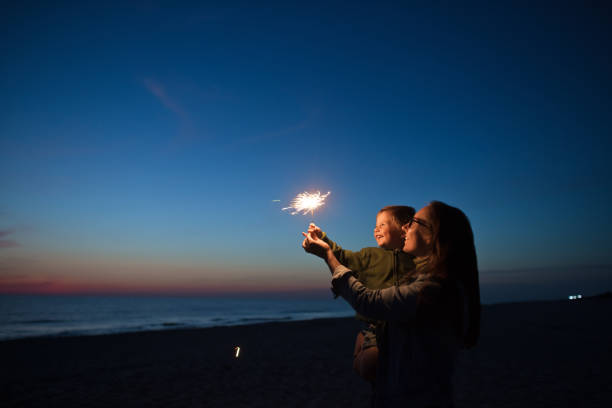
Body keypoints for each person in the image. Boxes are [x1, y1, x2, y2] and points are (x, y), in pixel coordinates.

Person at [302, 201, 480, 407]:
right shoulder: (429, 281)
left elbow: (366, 301)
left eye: (414, 222)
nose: (405, 227)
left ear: (432, 236)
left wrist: (327, 255)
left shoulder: (432, 290)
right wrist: (326, 244)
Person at [307, 205, 416, 383]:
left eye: (382, 225)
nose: (376, 229)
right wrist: (323, 238)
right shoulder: (368, 255)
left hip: (407, 327)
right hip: (376, 328)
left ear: (404, 229)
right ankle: (361, 350)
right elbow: (342, 257)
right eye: (375, 225)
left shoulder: (416, 259)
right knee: (371, 366)